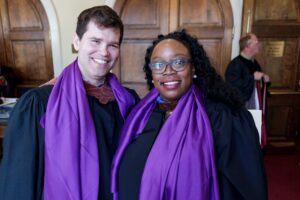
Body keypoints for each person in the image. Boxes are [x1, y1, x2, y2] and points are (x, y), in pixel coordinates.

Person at [0, 6, 138, 200]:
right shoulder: (39, 103)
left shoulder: (128, 100)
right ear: (77, 41)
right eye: (95, 41)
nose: (104, 52)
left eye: (112, 45)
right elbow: (20, 180)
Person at [111, 30, 268, 200]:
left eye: (178, 62)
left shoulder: (222, 117)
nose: (168, 71)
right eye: (158, 64)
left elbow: (244, 186)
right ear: (152, 74)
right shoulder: (140, 114)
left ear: (193, 68)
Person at [225, 33, 270, 147]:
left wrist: (265, 80)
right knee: (244, 139)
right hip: (242, 109)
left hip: (255, 108)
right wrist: (252, 78)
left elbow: (258, 87)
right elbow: (232, 87)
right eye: (256, 43)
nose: (259, 45)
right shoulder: (235, 65)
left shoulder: (254, 63)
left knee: (254, 135)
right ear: (247, 46)